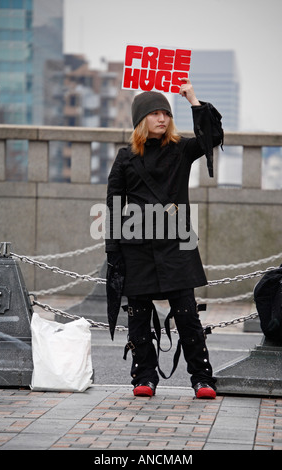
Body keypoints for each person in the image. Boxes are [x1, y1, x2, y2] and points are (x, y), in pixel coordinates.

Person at [106, 78, 223, 399]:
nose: (162, 118)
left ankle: (202, 378)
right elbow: (114, 206)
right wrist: (113, 252)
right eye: (155, 113)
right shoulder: (125, 157)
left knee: (187, 313)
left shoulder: (182, 150)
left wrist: (193, 101)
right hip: (137, 247)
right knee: (139, 315)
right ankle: (144, 377)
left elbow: (212, 137)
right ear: (141, 120)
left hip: (176, 245)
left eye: (166, 113)